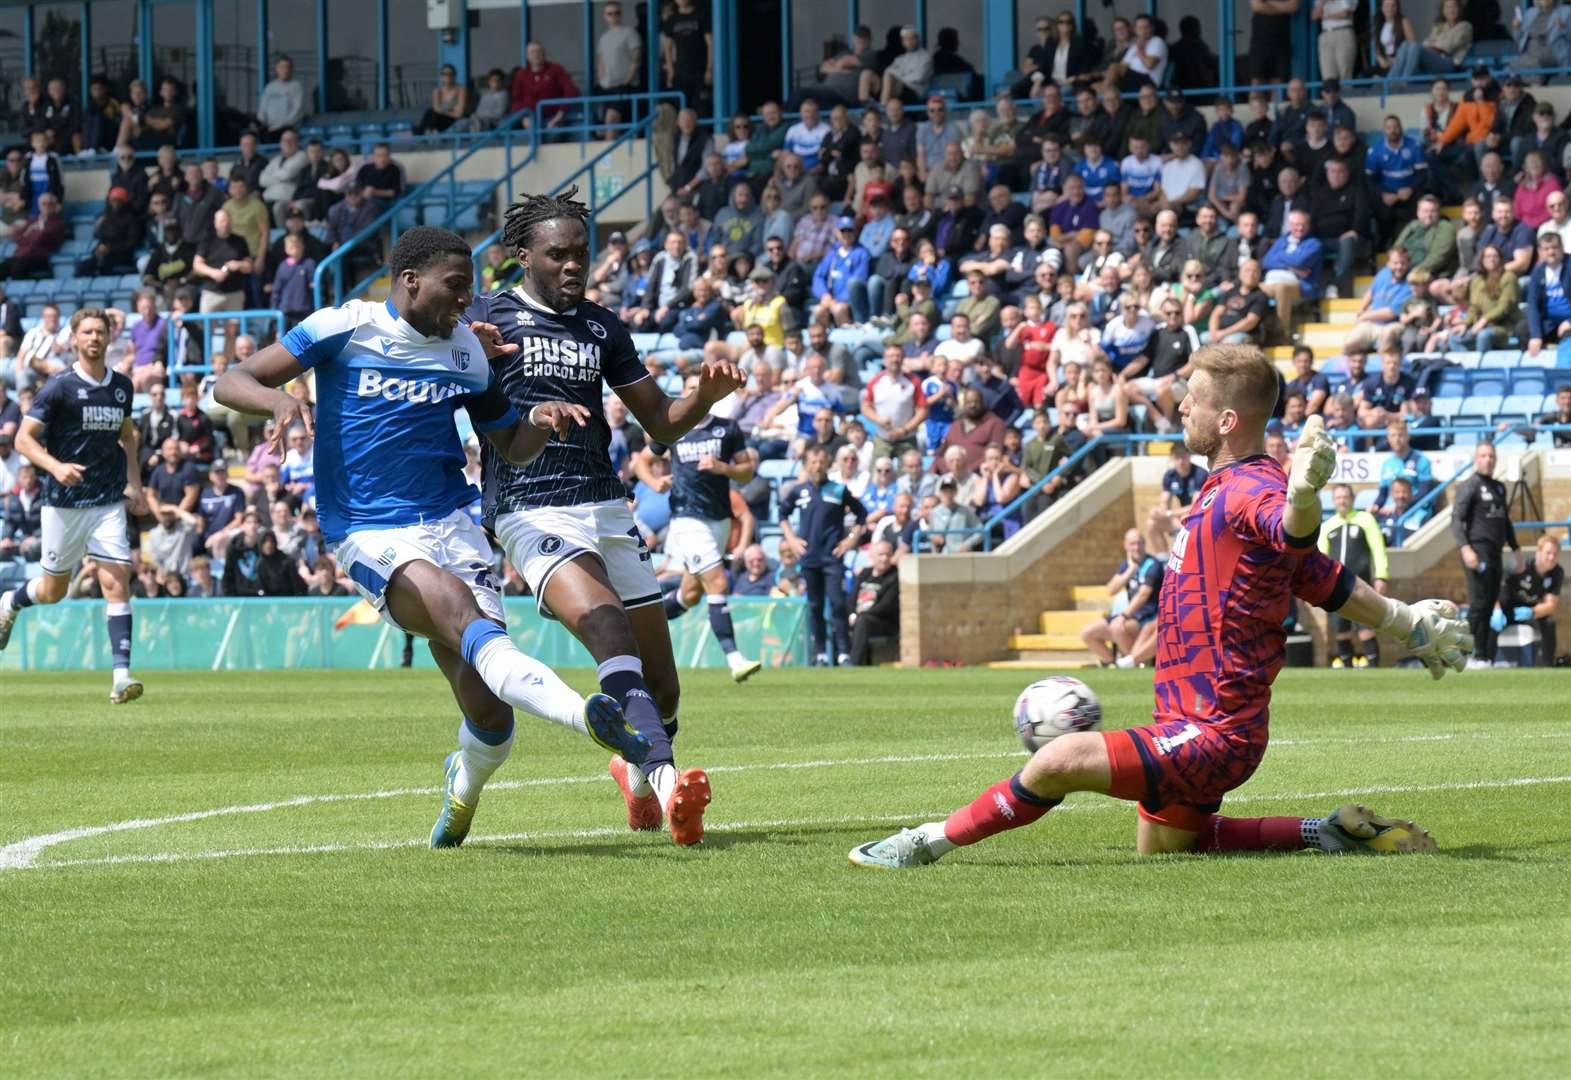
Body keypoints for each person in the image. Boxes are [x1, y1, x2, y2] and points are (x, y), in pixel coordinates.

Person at [848, 346, 1475, 871]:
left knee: (1059, 760)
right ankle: (1327, 831)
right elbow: (1314, 575)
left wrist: (1306, 496)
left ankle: (924, 842)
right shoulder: (1218, 490)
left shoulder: (1254, 489)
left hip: (1212, 731)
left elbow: (1292, 531)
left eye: (1193, 399)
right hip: (1186, 719)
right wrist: (1402, 619)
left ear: (1227, 419)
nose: (1180, 407)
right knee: (1172, 853)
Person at [213, 226, 659, 846]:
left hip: (452, 522)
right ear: (410, 280)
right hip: (368, 527)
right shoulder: (345, 326)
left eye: (470, 288)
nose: (464, 300)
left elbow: (511, 444)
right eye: (455, 287)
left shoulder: (467, 353)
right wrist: (277, 402)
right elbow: (230, 380)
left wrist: (538, 419)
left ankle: (464, 783)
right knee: (451, 605)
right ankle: (587, 716)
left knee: (491, 715)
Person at [468, 190, 747, 846]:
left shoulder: (601, 327)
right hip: (528, 505)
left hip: (603, 504)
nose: (572, 265)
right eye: (556, 254)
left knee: (665, 691)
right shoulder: (485, 317)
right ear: (521, 256)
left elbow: (659, 422)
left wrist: (701, 399)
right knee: (608, 631)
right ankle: (667, 779)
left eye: (580, 255)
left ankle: (632, 767)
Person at [0, 310, 148, 704]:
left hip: (107, 502)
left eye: (100, 332)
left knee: (117, 584)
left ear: (110, 337)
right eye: (87, 332)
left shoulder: (122, 387)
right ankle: (10, 602)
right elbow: (23, 441)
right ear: (75, 338)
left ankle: (121, 677)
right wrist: (54, 466)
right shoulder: (58, 387)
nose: (94, 338)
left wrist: (134, 483)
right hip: (63, 504)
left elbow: (127, 436)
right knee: (53, 591)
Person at [637, 374, 761, 683]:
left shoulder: (727, 428)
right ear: (683, 393)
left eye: (700, 387)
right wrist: (655, 483)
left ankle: (635, 632)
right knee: (718, 584)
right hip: (687, 520)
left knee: (690, 595)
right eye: (690, 388)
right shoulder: (672, 429)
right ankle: (736, 660)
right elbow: (640, 462)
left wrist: (724, 468)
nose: (696, 392)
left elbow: (747, 473)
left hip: (718, 520)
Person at [781, 443, 867, 665]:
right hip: (809, 558)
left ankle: (843, 653)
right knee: (815, 606)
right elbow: (783, 514)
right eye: (813, 462)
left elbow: (861, 513)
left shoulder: (838, 490)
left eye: (821, 462)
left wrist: (850, 541)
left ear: (828, 464)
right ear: (806, 465)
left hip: (832, 558)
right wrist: (791, 538)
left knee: (838, 604)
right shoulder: (799, 491)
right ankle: (820, 653)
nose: (817, 466)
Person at [1451, 440, 1519, 667]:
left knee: (1490, 604)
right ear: (1476, 459)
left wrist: (1516, 549)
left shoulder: (1500, 487)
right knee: (1478, 604)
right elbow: (1457, 519)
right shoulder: (1469, 485)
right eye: (1483, 456)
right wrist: (1465, 548)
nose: (1488, 460)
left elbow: (1505, 522)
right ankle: (1459, 653)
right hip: (1476, 551)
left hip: (1495, 553)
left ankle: (1481, 655)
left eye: (1491, 456)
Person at [1319, 482, 1390, 668]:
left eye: (1345, 497)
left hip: (1362, 584)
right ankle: (1347, 670)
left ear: (1352, 499)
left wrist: (1381, 576)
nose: (1342, 501)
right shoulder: (1328, 526)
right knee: (1341, 631)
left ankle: (1374, 670)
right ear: (1333, 501)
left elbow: (1378, 549)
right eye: (1338, 498)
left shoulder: (1365, 520)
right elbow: (1320, 558)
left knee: (1366, 628)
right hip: (1336, 587)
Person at [1502, 534, 1563, 665]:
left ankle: (1547, 665)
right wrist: (1496, 610)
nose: (1552, 557)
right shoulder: (1521, 565)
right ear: (1539, 551)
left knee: (1549, 622)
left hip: (1529, 612)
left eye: (1555, 554)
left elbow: (1550, 605)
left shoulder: (1557, 572)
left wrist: (1532, 612)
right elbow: (1496, 589)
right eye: (1548, 553)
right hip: (1507, 611)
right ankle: (1483, 659)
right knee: (1489, 622)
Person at [848, 539, 899, 665]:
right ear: (872, 557)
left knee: (863, 621)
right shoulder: (864, 574)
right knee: (837, 617)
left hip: (883, 621)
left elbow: (886, 606)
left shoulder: (895, 576)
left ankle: (853, 664)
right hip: (859, 617)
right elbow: (852, 599)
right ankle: (836, 657)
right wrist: (852, 614)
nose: (885, 558)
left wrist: (860, 616)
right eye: (881, 555)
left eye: (888, 555)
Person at [257, 56, 307, 139]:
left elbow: (298, 111)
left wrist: (281, 125)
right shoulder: (270, 87)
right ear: (277, 69)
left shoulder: (297, 86)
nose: (285, 70)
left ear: (291, 69)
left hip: (288, 128)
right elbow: (262, 109)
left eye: (288, 67)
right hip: (269, 128)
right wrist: (261, 124)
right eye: (282, 67)